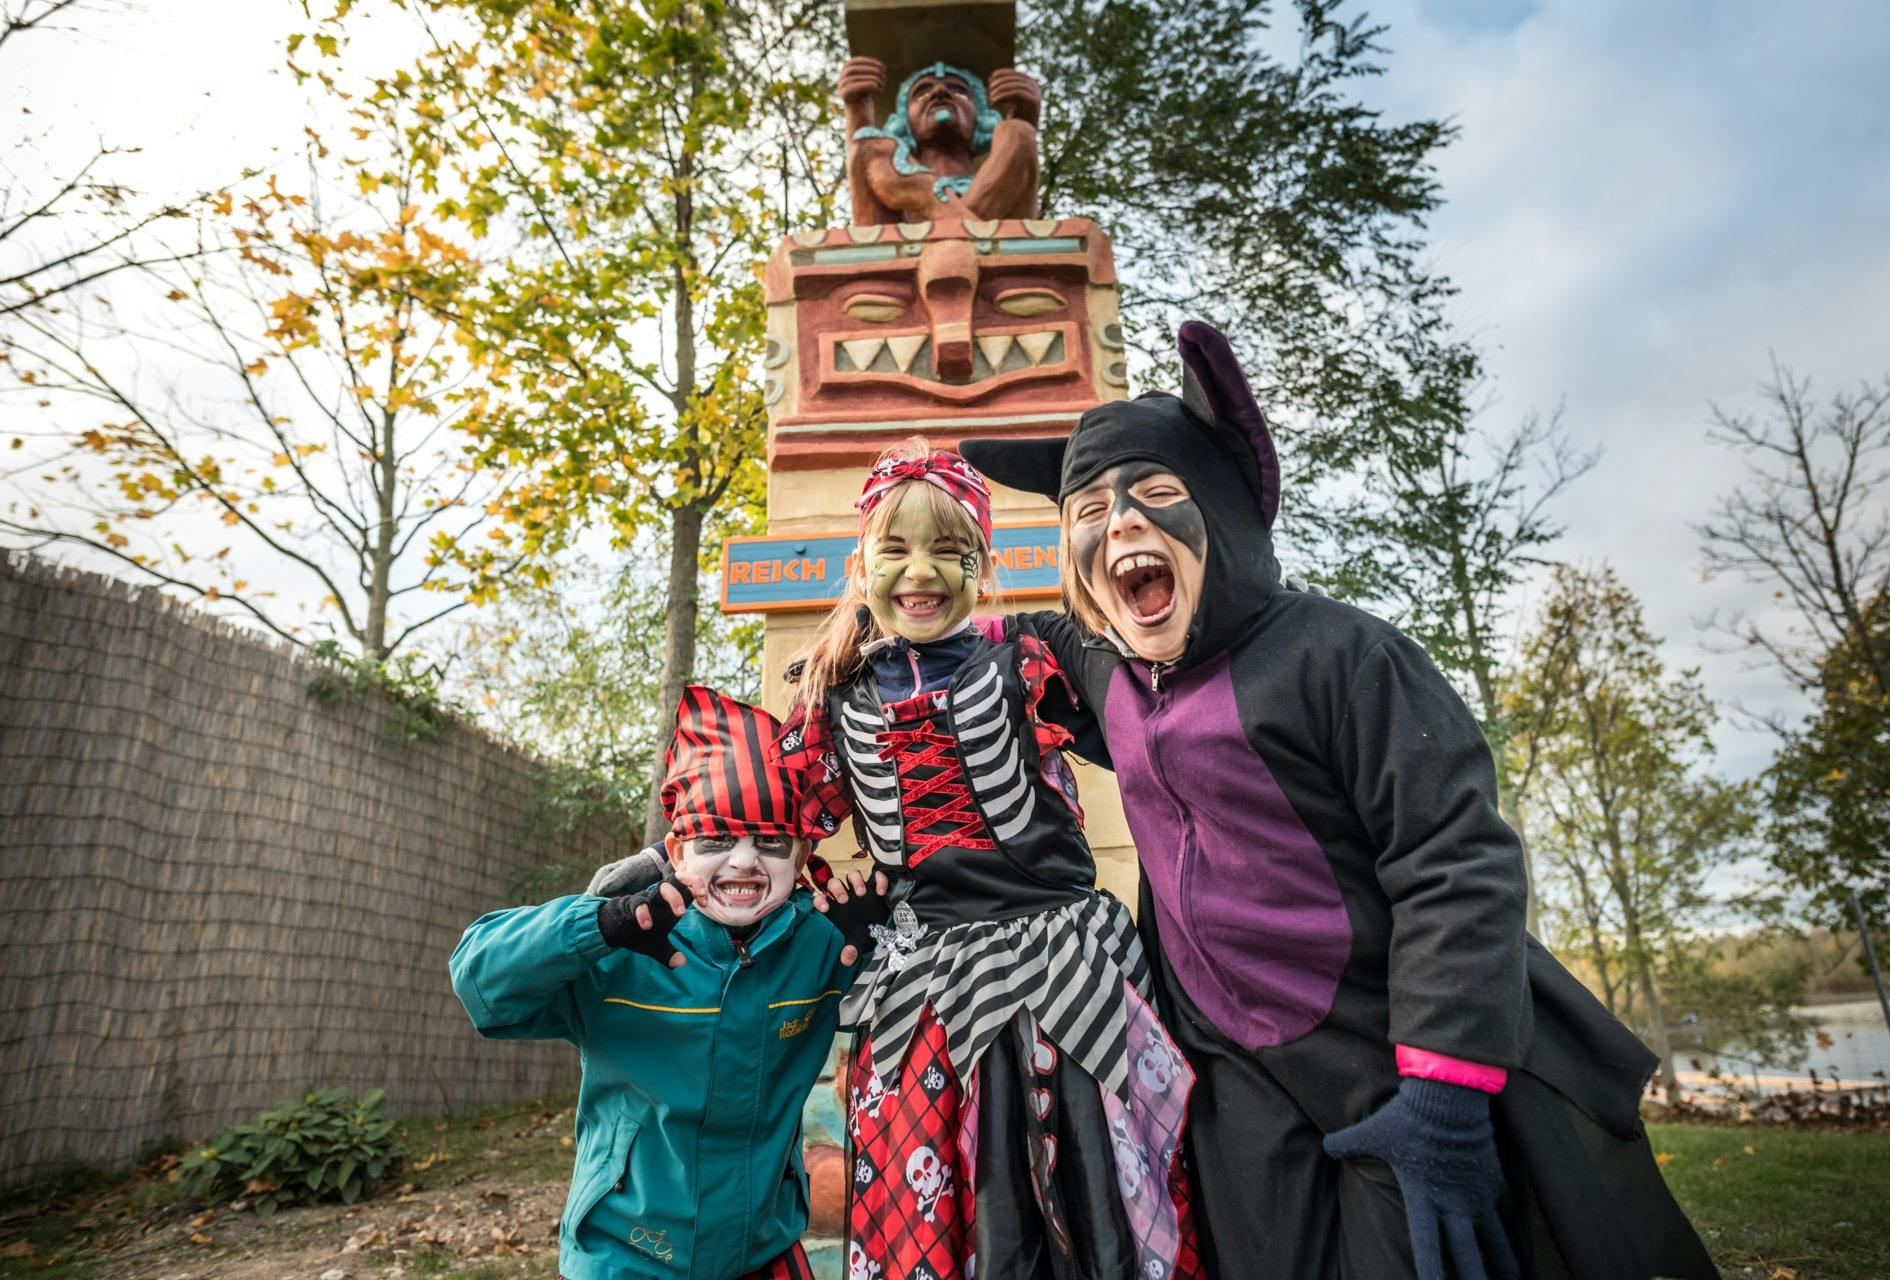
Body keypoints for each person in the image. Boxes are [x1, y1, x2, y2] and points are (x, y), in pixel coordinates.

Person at [957, 322, 1717, 1280]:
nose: (1121, 526)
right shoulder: (1108, 673)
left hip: (1387, 1058)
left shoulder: (1343, 655)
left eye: (1158, 495)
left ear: (1224, 510)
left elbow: (1456, 859)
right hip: (1237, 1081)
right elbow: (994, 639)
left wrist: (1442, 1094)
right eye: (1090, 511)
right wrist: (898, 617)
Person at [771, 440, 1204, 1280]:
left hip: (1064, 971)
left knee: (1095, 1199)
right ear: (861, 566)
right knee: (947, 1215)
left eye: (949, 549)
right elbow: (772, 821)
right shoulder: (831, 699)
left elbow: (1162, 730)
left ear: (984, 565)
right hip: (922, 989)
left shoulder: (1032, 660)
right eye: (894, 549)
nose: (920, 572)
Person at [450, 686, 884, 1280]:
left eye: (770, 842)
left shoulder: (821, 943)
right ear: (677, 850)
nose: (743, 862)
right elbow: (480, 982)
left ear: (802, 851)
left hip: (762, 1251)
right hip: (625, 1256)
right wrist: (596, 925)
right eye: (715, 840)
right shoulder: (626, 941)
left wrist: (883, 937)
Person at [838, 56, 1042, 225]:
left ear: (981, 118)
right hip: (911, 244)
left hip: (990, 247)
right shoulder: (892, 177)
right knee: (868, 144)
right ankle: (965, 227)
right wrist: (857, 111)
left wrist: (1024, 118)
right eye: (921, 93)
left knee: (1017, 130)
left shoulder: (1001, 168)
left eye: (959, 91)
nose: (939, 92)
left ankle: (950, 220)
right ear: (903, 122)